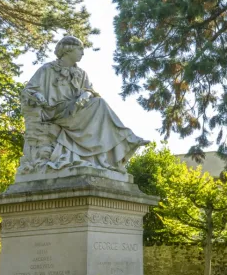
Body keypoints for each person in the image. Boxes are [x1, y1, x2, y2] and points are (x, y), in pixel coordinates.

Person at [19, 35, 148, 175]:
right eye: (80, 49)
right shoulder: (47, 69)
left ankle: (111, 152)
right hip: (55, 112)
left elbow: (90, 91)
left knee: (99, 103)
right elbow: (28, 91)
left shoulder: (81, 73)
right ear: (68, 49)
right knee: (99, 104)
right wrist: (38, 95)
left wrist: (86, 95)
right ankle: (126, 138)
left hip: (75, 109)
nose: (83, 53)